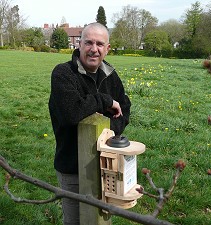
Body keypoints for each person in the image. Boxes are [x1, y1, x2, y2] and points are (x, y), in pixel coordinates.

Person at [48, 22, 131, 225]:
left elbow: (125, 109)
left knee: (102, 220)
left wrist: (107, 131)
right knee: (76, 221)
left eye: (100, 44)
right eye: (89, 43)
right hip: (73, 168)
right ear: (79, 44)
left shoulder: (110, 75)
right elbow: (72, 113)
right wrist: (105, 101)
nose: (94, 49)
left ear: (107, 48)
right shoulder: (63, 74)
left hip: (107, 167)